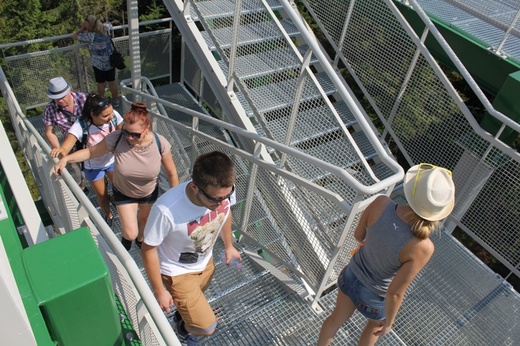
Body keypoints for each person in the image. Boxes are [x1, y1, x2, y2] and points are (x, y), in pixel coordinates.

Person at [318, 163, 455, 346]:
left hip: (350, 276)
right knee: (374, 326)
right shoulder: (423, 247)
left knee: (335, 320)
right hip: (374, 297)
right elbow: (395, 293)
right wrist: (389, 323)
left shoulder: (381, 202)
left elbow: (358, 236)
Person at [141, 151, 242, 345]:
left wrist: (229, 246)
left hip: (205, 263)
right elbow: (148, 248)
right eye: (215, 199)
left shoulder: (224, 191)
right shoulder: (166, 210)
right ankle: (182, 328)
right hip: (177, 273)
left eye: (226, 196)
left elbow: (226, 212)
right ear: (195, 187)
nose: (221, 202)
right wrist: (159, 290)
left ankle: (185, 316)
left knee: (195, 305)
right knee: (207, 327)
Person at [54, 102, 179, 249]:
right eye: (127, 132)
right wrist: (67, 158)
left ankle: (140, 243)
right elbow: (91, 152)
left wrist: (174, 199)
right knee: (130, 233)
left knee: (144, 225)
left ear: (147, 129)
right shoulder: (117, 138)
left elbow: (171, 172)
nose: (130, 138)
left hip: (149, 191)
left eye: (135, 135)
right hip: (124, 191)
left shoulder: (160, 143)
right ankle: (126, 246)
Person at [50, 93, 123, 227]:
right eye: (105, 116)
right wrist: (62, 154)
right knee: (101, 195)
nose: (110, 117)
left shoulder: (113, 116)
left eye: (111, 113)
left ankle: (115, 200)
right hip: (93, 165)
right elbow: (67, 145)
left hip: (112, 160)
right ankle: (108, 214)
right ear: (93, 115)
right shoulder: (81, 125)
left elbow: (120, 130)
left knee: (120, 189)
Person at [43, 76, 87, 191]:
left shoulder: (83, 99)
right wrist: (59, 150)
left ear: (69, 92)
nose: (60, 101)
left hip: (90, 141)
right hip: (70, 145)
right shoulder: (50, 109)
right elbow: (49, 132)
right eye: (56, 99)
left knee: (97, 167)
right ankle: (81, 191)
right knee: (75, 173)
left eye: (62, 97)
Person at [73, 14, 119, 107]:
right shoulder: (105, 29)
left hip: (97, 63)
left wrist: (82, 29)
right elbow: (109, 25)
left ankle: (101, 103)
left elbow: (74, 36)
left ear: (88, 25)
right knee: (112, 82)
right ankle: (116, 101)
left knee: (101, 83)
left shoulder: (89, 36)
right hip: (110, 61)